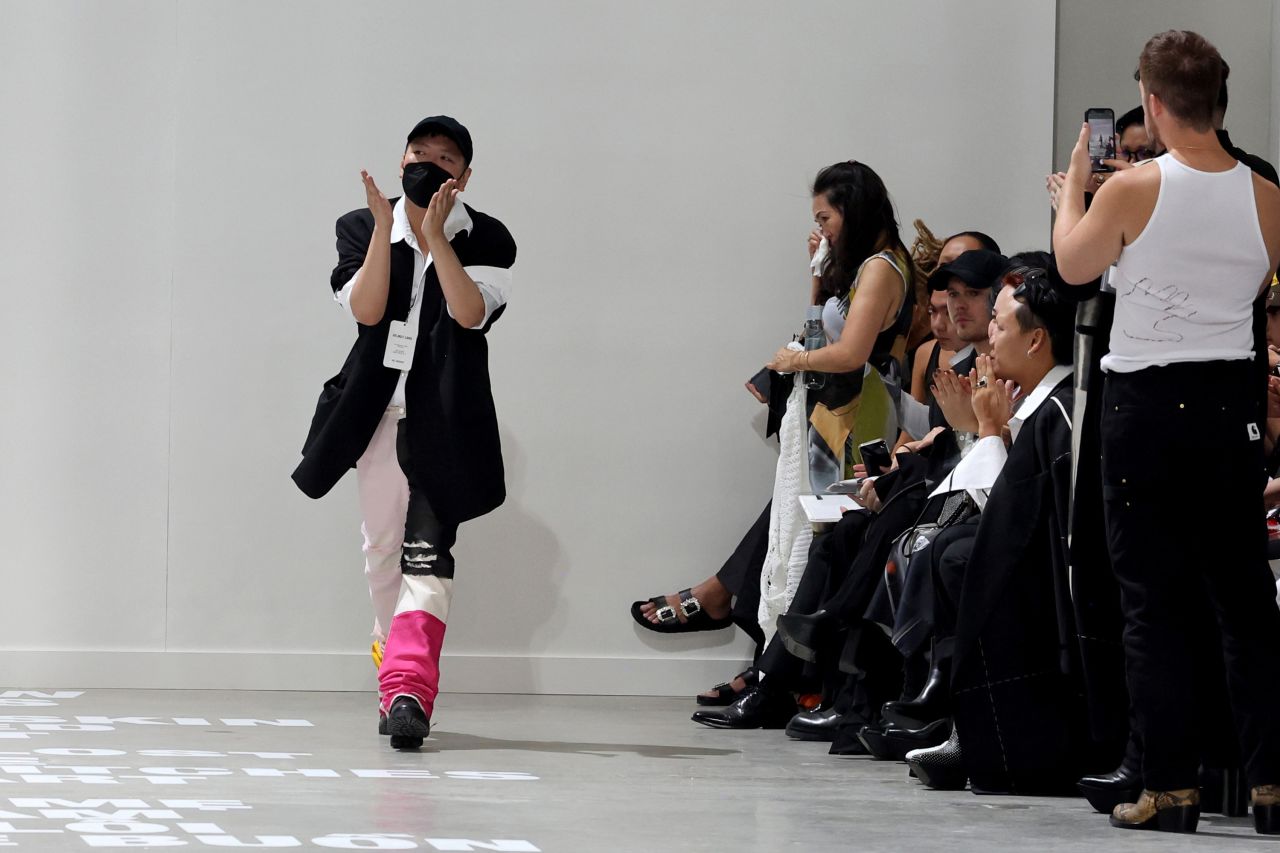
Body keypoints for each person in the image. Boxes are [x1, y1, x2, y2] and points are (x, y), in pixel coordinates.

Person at [1052, 30, 1280, 834]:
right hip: (1230, 401)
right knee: (1245, 603)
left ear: (1152, 101)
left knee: (1154, 603)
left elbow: (1076, 267)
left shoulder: (1134, 186)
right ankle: (1270, 785)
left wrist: (1073, 192)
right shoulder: (1265, 192)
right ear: (1218, 100)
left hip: (1147, 404)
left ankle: (1171, 788)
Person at [292, 116, 517, 750]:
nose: (429, 166)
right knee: (381, 550)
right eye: (419, 154)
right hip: (375, 415)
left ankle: (410, 691)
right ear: (401, 160)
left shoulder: (490, 237)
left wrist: (437, 238)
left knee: (428, 552)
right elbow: (366, 312)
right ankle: (395, 683)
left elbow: (470, 315)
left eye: (445, 159)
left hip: (445, 418)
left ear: (464, 175)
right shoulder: (361, 226)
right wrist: (388, 235)